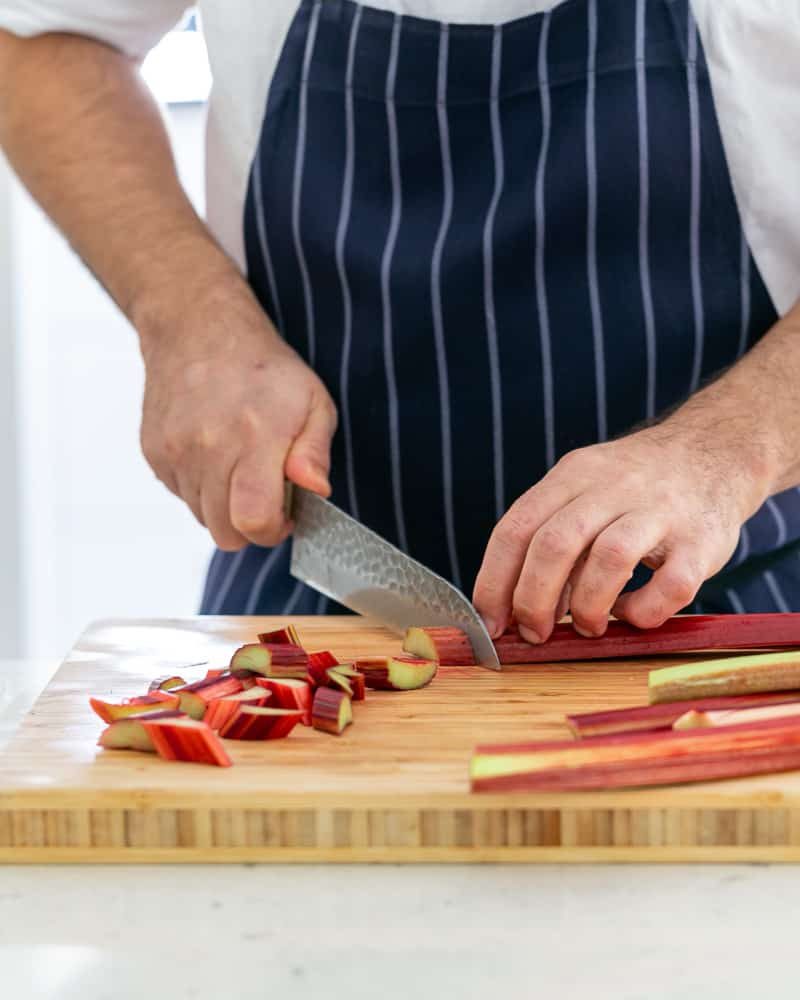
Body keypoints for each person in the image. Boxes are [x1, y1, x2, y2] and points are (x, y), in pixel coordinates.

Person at [1, 0, 799, 648]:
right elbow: (42, 38)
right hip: (318, 594)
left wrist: (729, 449)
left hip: (729, 612)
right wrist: (187, 319)